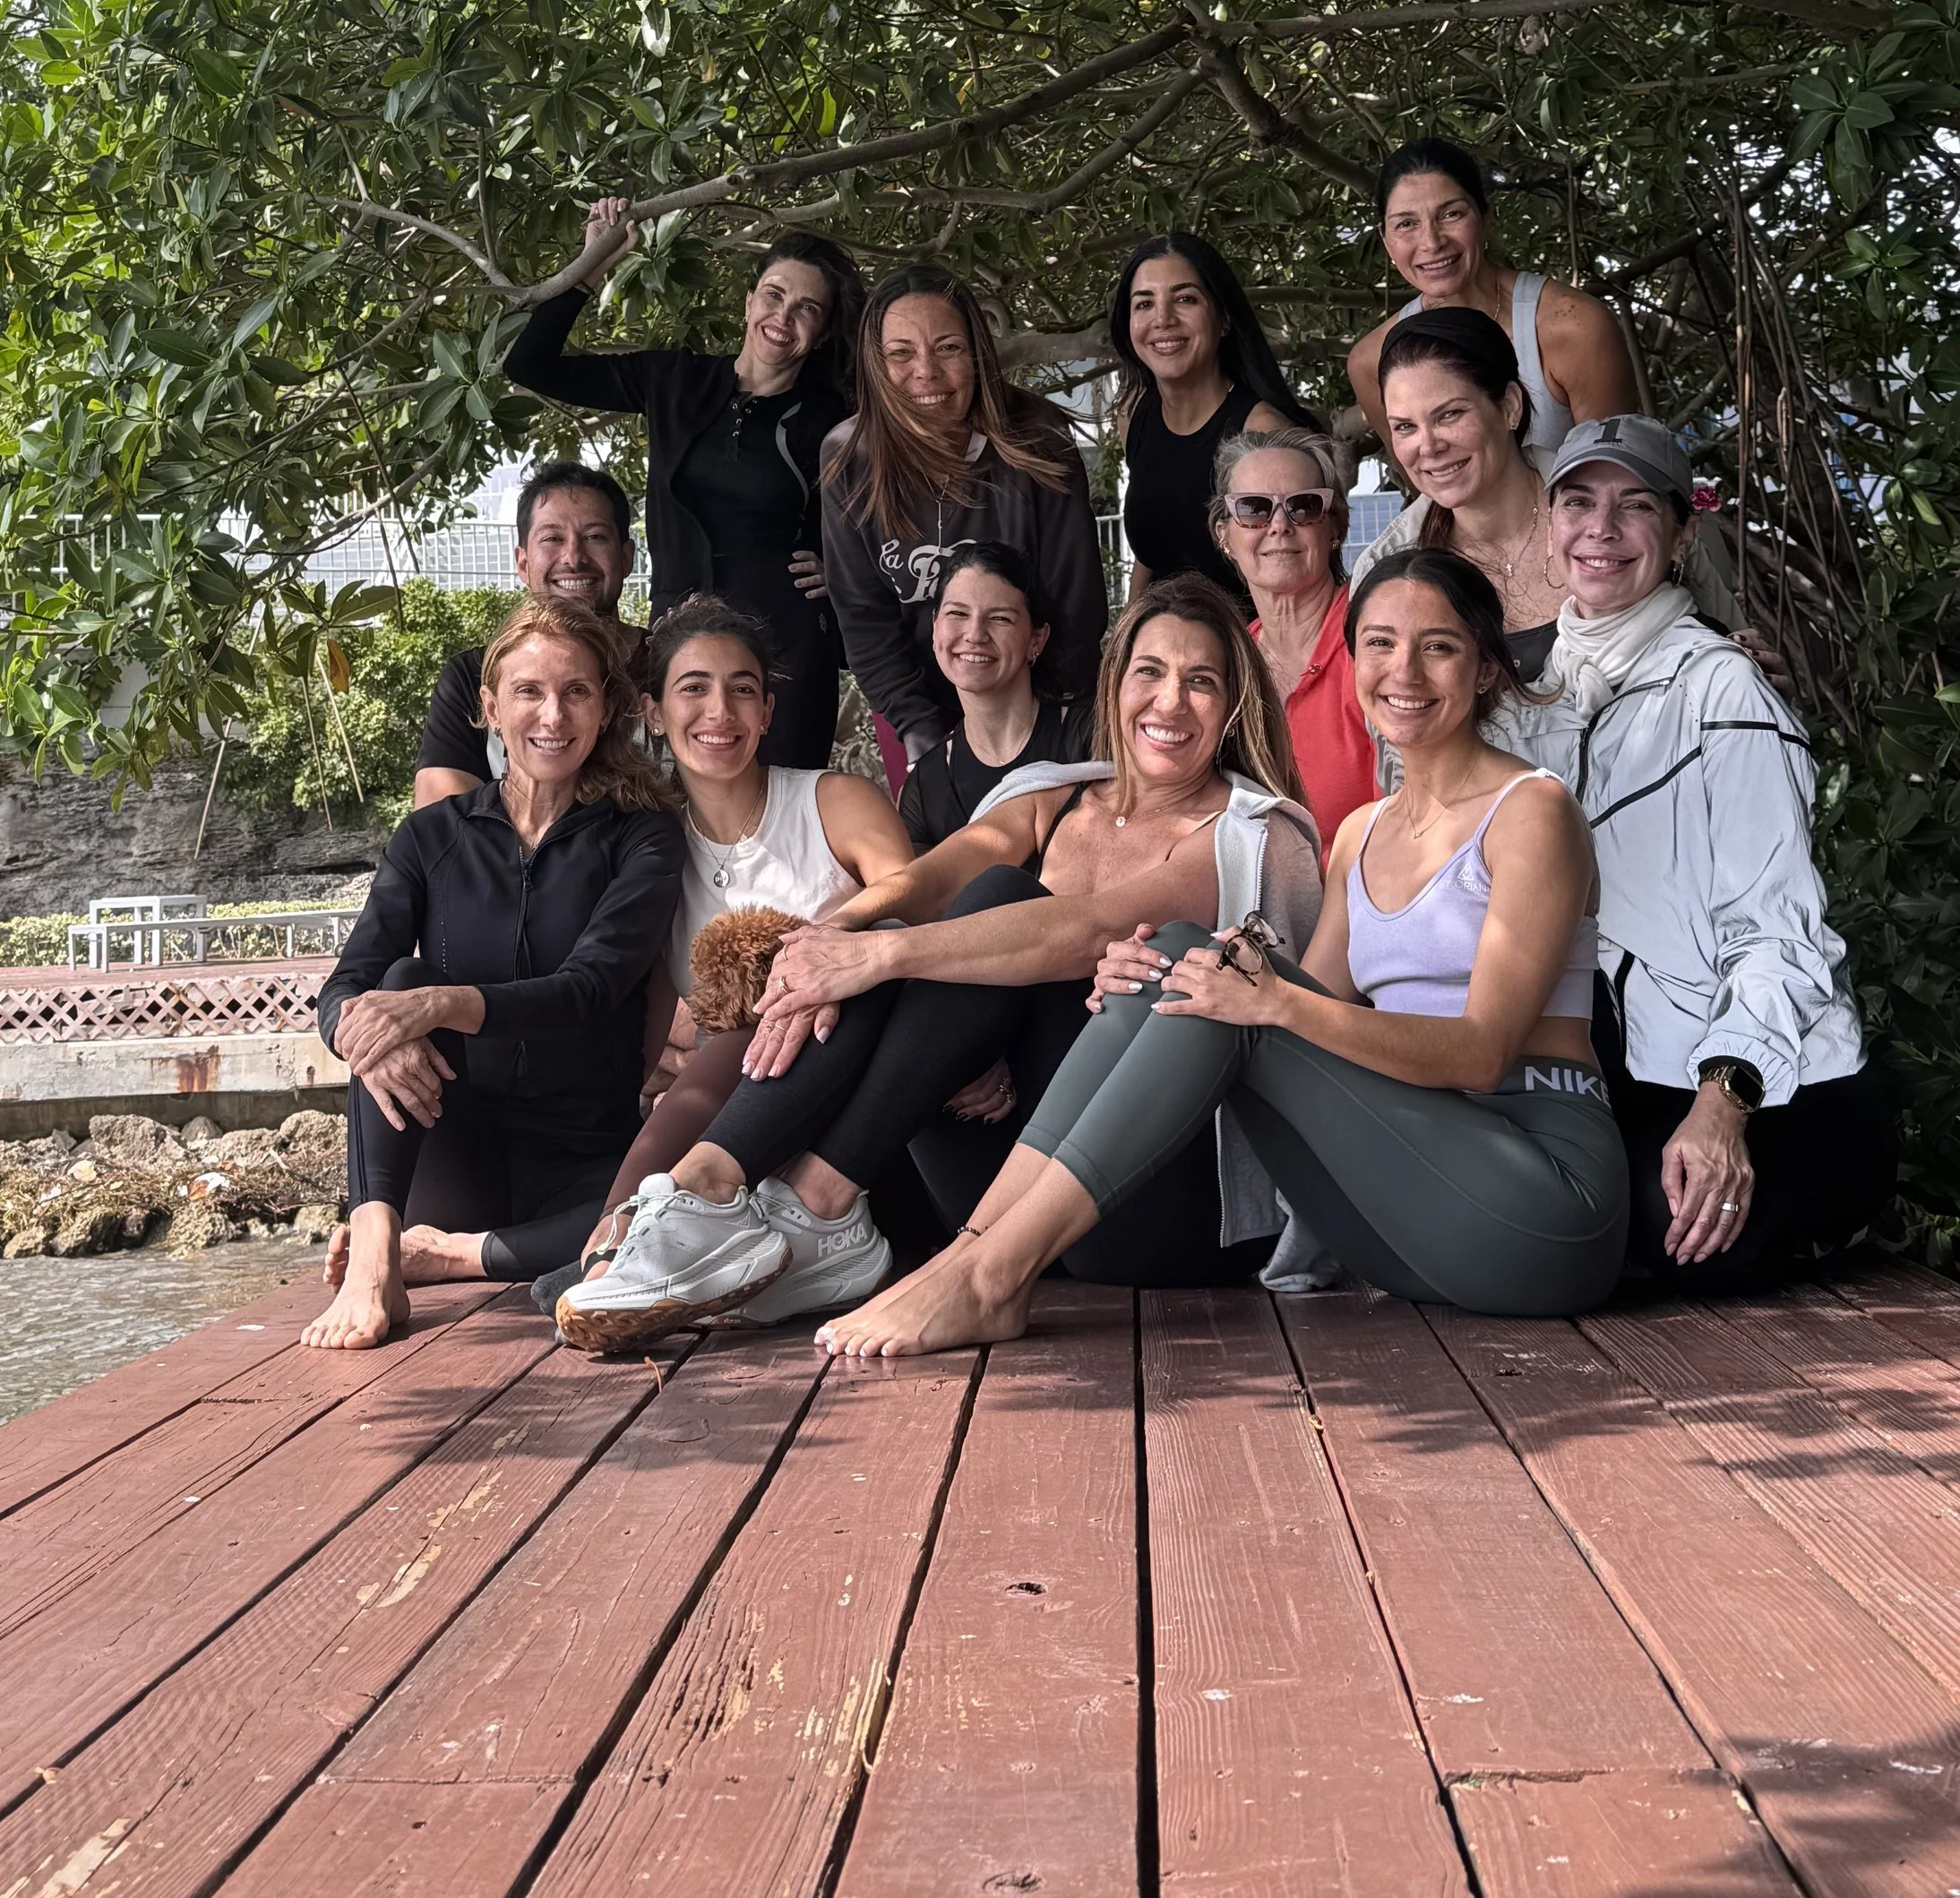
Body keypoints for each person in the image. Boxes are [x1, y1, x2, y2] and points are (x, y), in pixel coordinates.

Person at [814, 550, 1627, 1357]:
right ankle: (973, 1252)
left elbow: (1481, 1054)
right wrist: (1157, 987)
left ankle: (991, 1274)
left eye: (1438, 646)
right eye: (1377, 643)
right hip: (1408, 1223)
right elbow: (1329, 1024)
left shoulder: (1533, 810)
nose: (1402, 669)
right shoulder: (1361, 832)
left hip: (1537, 1201)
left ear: (1485, 667)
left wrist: (1271, 998)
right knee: (1178, 961)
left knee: (1225, 986)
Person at [554, 578, 1327, 1354]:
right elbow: (930, 877)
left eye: (1202, 681)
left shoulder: (1251, 834)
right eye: (1150, 672)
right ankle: (719, 1191)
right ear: (1116, 681)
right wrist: (834, 936)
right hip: (989, 1188)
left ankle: (793, 1204)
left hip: (1153, 1208)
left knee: (975, 907)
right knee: (905, 916)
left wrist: (875, 954)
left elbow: (1081, 925)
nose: (1169, 701)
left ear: (1233, 706)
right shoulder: (1052, 796)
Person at [1507, 415, 1896, 1291]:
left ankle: (1818, 1216)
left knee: (1656, 1230)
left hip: (1758, 1083)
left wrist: (1721, 1106)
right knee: (1547, 1216)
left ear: (1681, 533)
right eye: (1578, 502)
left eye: (1634, 506)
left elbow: (1777, 931)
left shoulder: (1724, 690)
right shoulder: (1517, 685)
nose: (1600, 530)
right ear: (1547, 522)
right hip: (1607, 1064)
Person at [302, 597, 683, 1349]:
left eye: (576, 691)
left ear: (606, 708)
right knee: (394, 988)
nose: (553, 714)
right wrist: (382, 1027)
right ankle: (375, 1240)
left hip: (581, 1155)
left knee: (655, 1215)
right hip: (455, 1143)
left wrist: (441, 1004)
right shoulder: (431, 836)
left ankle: (443, 1255)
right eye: (529, 692)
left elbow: (590, 988)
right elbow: (344, 986)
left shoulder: (642, 836)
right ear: (489, 707)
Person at [527, 597, 913, 1317]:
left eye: (742, 689)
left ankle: (617, 1236)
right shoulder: (650, 848)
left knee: (804, 973)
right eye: (694, 687)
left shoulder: (834, 802)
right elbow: (642, 1014)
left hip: (868, 1112)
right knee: (723, 1044)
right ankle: (628, 1242)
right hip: (755, 1123)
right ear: (652, 711)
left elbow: (917, 919)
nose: (720, 710)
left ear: (767, 711)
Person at [502, 208, 864, 767]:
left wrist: (843, 567)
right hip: (680, 638)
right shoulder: (674, 380)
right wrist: (592, 263)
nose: (783, 317)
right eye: (773, 295)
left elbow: (886, 506)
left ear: (821, 331)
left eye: (806, 309)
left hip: (787, 643)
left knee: (786, 804)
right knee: (681, 805)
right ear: (749, 302)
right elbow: (531, 365)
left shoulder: (835, 414)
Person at [820, 262, 1107, 768]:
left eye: (948, 348)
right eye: (901, 354)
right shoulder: (849, 457)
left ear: (977, 353)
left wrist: (1045, 724)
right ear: (874, 365)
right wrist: (919, 730)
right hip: (916, 708)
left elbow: (1075, 604)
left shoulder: (1037, 439)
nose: (926, 373)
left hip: (1043, 705)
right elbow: (863, 615)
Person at [1347, 136, 1639, 461]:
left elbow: (1621, 481)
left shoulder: (1572, 326)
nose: (1431, 242)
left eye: (1451, 215)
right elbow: (1426, 483)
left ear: (1485, 218)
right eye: (1406, 224)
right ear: (1386, 242)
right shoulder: (1372, 361)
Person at [1351, 309, 1569, 674]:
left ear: (1510, 407)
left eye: (1449, 415)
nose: (1428, 446)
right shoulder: (1385, 566)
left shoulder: (1610, 515)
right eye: (1405, 427)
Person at [1109, 231, 1317, 599]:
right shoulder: (1134, 416)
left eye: (1185, 299)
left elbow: (1296, 581)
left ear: (1223, 318)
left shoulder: (1263, 432)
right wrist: (1127, 644)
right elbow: (1152, 555)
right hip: (1166, 643)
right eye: (1143, 304)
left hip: (1248, 650)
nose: (1162, 319)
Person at [416, 460, 639, 802]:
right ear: (522, 562)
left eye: (594, 537)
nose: (573, 557)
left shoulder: (676, 672)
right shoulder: (471, 679)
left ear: (626, 558)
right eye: (552, 538)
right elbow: (442, 833)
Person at [1212, 428, 1377, 857]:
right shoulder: (1224, 665)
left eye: (1303, 507)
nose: (1280, 526)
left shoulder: (1378, 641)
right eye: (1254, 509)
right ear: (1224, 535)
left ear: (1335, 525)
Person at [897, 544, 1090, 853]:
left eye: (1000, 619)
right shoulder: (927, 784)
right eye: (957, 614)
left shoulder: (1092, 740)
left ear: (1036, 639)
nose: (975, 634)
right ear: (935, 629)